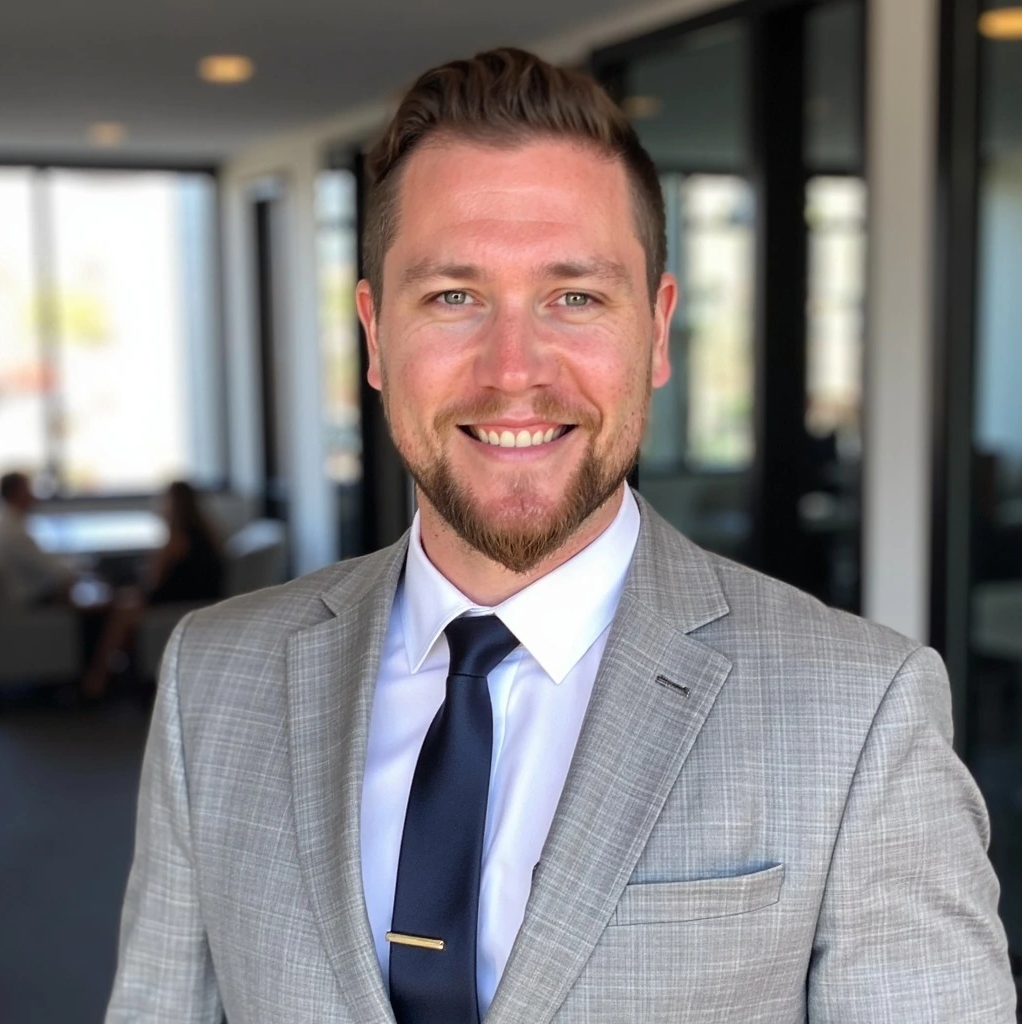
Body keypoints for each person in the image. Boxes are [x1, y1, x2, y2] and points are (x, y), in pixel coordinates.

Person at [105, 49, 1015, 1023]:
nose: (513, 370)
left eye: (574, 296)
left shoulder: (858, 711)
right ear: (374, 337)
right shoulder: (214, 677)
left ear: (658, 333)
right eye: (453, 296)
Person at [81, 481, 224, 698]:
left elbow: (152, 583)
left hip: (180, 602)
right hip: (197, 597)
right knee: (124, 604)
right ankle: (112, 676)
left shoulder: (177, 540)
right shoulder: (203, 532)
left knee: (122, 612)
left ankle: (98, 678)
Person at [0, 470, 76, 607]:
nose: (33, 495)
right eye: (27, 489)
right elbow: (55, 572)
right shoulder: (15, 533)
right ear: (14, 494)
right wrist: (76, 570)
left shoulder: (9, 524)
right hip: (30, 602)